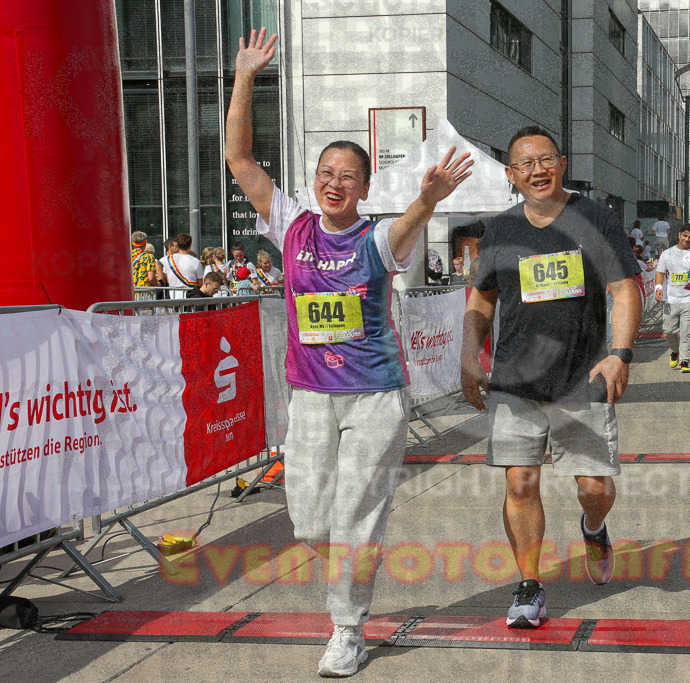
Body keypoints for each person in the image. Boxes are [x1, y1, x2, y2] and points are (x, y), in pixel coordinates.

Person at [225, 27, 473, 678]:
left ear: (362, 189)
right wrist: (245, 78)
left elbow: (414, 217)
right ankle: (349, 598)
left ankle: (347, 629)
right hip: (310, 398)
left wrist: (428, 196)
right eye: (326, 174)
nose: (335, 183)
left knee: (356, 514)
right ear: (315, 182)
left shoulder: (379, 239)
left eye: (349, 176)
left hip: (374, 398)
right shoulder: (292, 224)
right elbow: (240, 161)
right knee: (310, 522)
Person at [460, 125, 641, 630]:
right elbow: (482, 299)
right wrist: (469, 356)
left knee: (594, 487)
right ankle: (530, 585)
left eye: (546, 160)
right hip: (514, 381)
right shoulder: (498, 229)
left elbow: (625, 289)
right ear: (511, 174)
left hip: (580, 378)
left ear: (562, 163)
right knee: (520, 480)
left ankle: (595, 527)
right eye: (526, 164)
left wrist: (620, 354)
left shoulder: (594, 217)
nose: (537, 170)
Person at [655, 225, 690, 372]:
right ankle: (675, 351)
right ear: (679, 235)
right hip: (671, 300)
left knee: (687, 332)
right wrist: (658, 288)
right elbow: (660, 273)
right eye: (685, 236)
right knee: (668, 331)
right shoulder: (667, 254)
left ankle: (684, 362)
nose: (687, 239)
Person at [164, 233, 204, 298]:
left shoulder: (168, 260)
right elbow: (200, 282)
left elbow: (168, 279)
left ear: (177, 245)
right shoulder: (195, 261)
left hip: (173, 294)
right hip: (190, 295)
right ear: (190, 245)